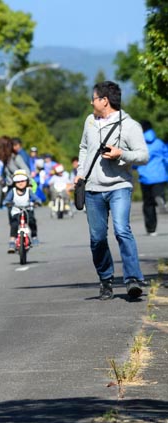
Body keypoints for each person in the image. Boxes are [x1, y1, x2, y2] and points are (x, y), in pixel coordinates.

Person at [76, 80, 149, 301]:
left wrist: (122, 154)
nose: (91, 102)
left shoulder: (130, 126)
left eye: (94, 98)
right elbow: (83, 148)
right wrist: (80, 172)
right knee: (97, 238)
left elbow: (143, 155)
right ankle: (106, 279)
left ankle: (133, 280)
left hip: (119, 186)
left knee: (121, 230)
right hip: (92, 188)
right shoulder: (90, 121)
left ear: (104, 101)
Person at [137, 121, 168, 235]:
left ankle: (151, 229)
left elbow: (136, 161)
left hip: (145, 177)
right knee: (158, 194)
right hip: (159, 175)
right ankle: (161, 200)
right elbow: (166, 158)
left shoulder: (140, 144)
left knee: (148, 204)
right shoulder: (159, 143)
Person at [4, 170, 40, 252]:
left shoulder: (28, 191)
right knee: (14, 225)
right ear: (14, 183)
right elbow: (6, 200)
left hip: (27, 210)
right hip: (16, 211)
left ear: (27, 181)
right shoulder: (12, 191)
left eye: (23, 181)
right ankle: (12, 242)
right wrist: (7, 203)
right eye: (18, 181)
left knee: (32, 221)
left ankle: (34, 236)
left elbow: (36, 198)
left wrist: (37, 202)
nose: (20, 183)